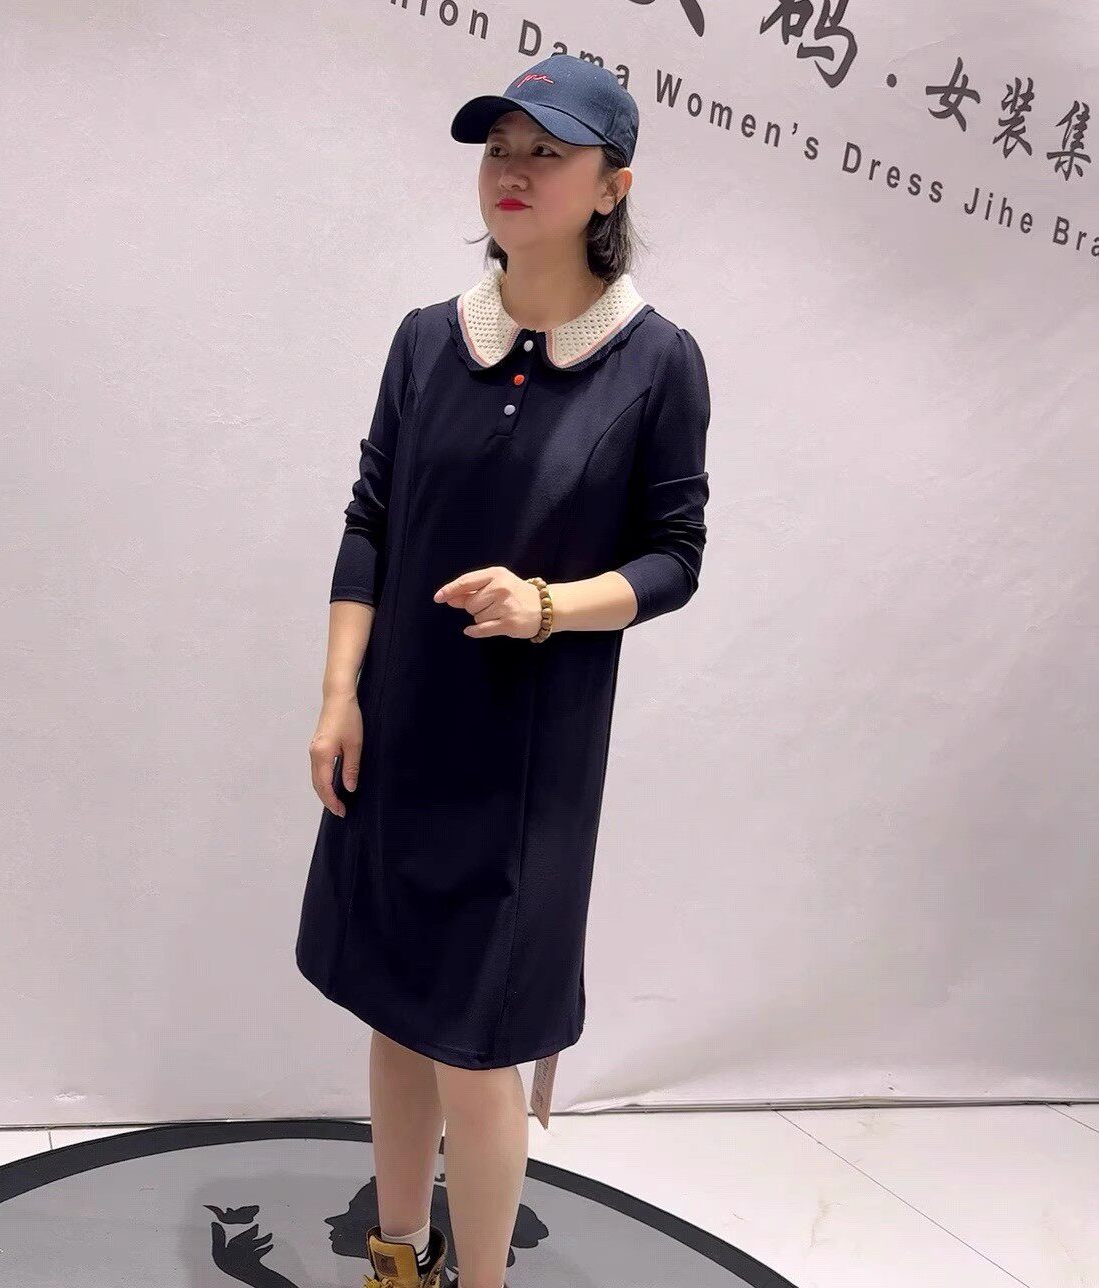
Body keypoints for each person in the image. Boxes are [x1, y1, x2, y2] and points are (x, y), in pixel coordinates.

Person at [295, 52, 712, 1288]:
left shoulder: (657, 361)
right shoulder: (427, 341)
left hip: (530, 759)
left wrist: (547, 606)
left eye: (547, 153)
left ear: (611, 185)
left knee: (477, 1045)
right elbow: (371, 521)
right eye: (499, 150)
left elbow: (675, 557)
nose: (513, 172)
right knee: (397, 1009)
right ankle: (395, 1259)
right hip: (401, 728)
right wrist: (339, 697)